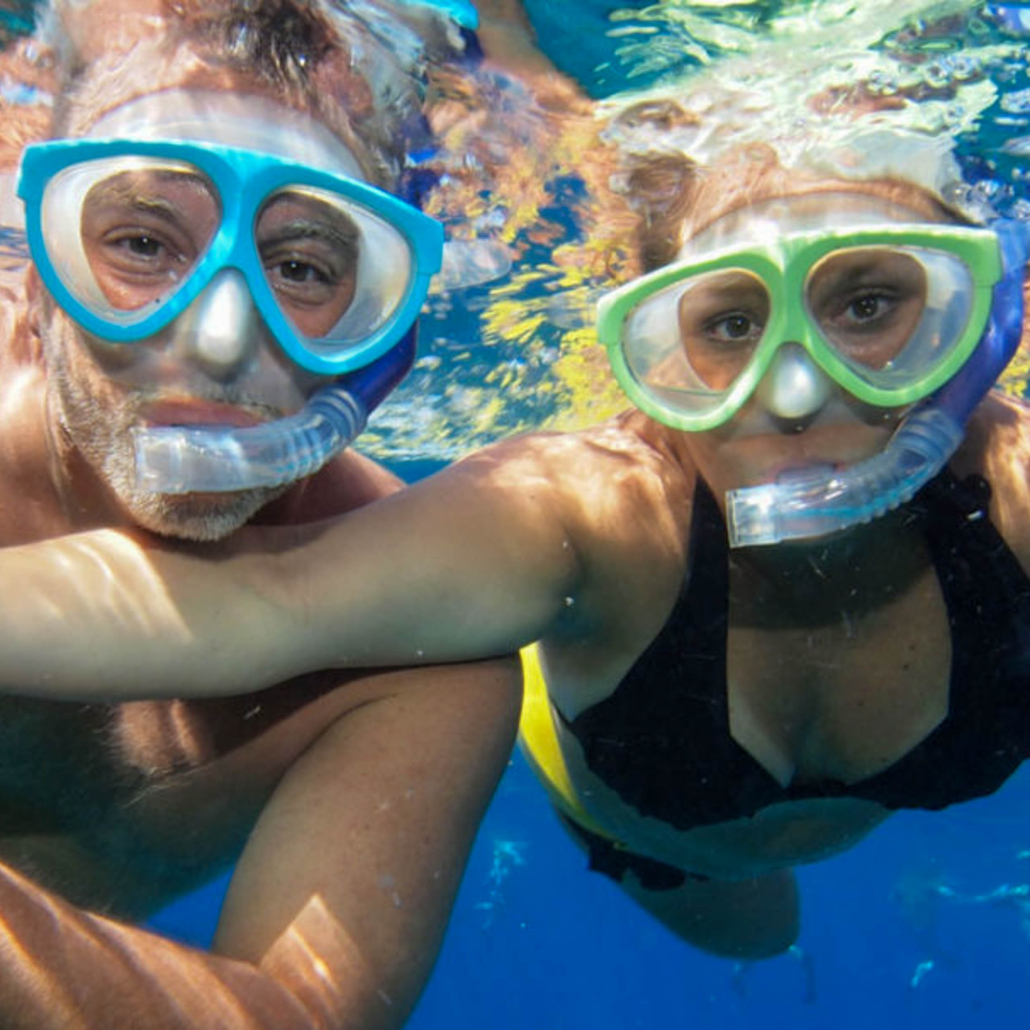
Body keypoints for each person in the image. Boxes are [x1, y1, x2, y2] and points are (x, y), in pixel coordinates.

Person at [3, 90, 1030, 965]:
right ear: (656, 365)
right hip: (663, 851)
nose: (800, 391)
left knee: (776, 943)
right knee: (756, 938)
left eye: (869, 305)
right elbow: (262, 595)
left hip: (806, 823)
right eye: (727, 324)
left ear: (971, 321)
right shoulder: (590, 516)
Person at [0, 0, 523, 1026]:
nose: (221, 335)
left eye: (300, 267)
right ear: (36, 278)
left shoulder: (420, 644)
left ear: (380, 329)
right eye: (143, 241)